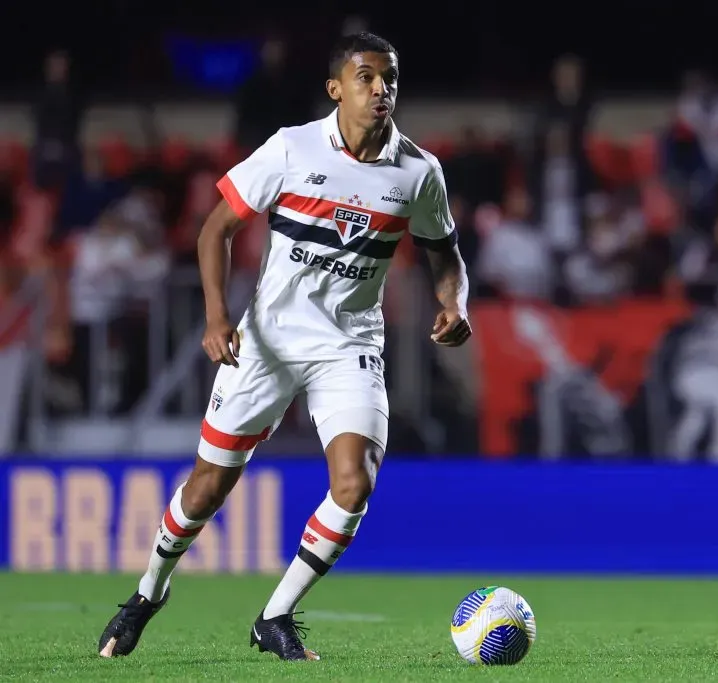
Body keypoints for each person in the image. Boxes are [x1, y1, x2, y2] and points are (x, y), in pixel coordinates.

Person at [97, 32, 471, 662]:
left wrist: (454, 301)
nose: (381, 89)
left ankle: (276, 615)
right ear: (337, 89)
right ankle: (147, 593)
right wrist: (216, 317)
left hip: (350, 345)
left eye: (390, 79)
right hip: (266, 343)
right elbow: (214, 229)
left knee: (353, 484)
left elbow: (445, 254)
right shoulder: (291, 148)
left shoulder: (418, 172)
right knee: (205, 491)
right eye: (367, 78)